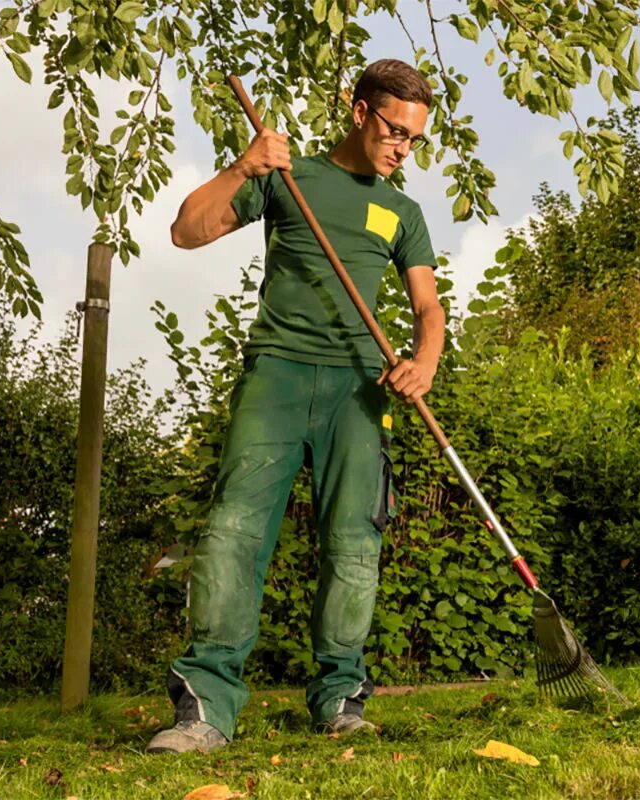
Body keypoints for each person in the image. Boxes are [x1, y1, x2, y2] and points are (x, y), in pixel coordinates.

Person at [147, 59, 444, 755]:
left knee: (353, 547)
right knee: (233, 534)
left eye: (415, 140)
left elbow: (427, 307)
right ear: (359, 111)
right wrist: (244, 167)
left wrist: (423, 363)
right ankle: (204, 709)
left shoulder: (402, 211)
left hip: (360, 393)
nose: (403, 148)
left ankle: (340, 698)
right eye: (394, 131)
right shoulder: (289, 177)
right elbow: (186, 231)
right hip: (275, 377)